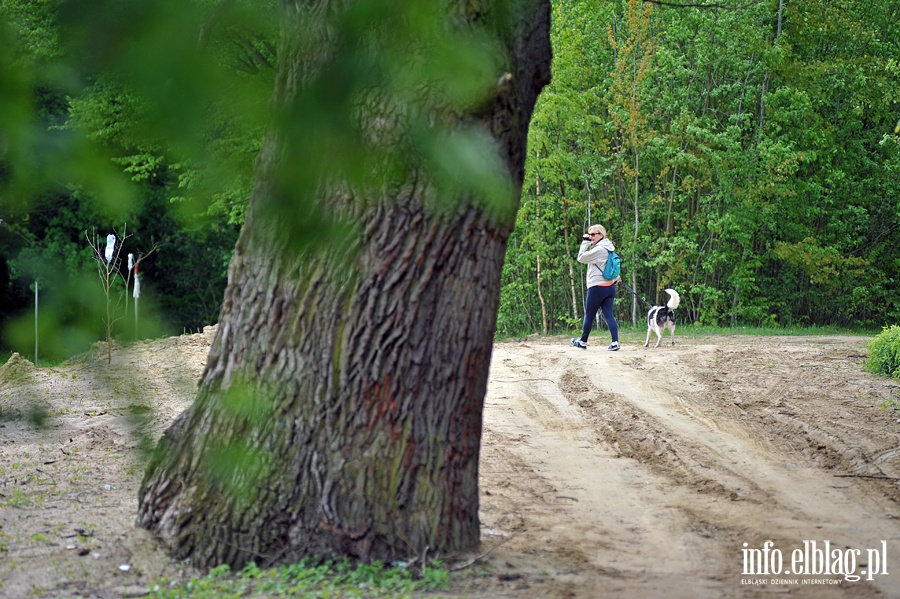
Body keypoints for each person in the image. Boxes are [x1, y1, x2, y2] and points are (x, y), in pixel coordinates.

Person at [571, 224, 620, 351]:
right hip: (609, 287)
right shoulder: (609, 248)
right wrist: (616, 278)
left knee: (589, 315)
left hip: (597, 287)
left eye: (593, 234)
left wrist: (584, 242)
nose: (590, 237)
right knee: (609, 315)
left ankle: (583, 341)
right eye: (589, 234)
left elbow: (581, 258)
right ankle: (615, 342)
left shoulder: (599, 249)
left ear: (601, 235)